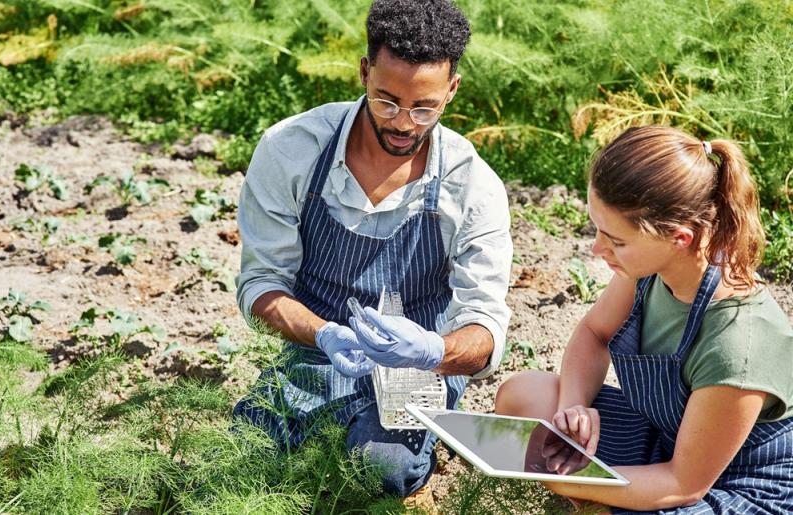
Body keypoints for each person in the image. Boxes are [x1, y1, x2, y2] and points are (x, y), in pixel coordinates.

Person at [232, 0, 512, 499]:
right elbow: (261, 285)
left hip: (419, 371)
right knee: (246, 453)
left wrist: (432, 350)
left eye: (424, 107)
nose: (404, 123)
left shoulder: (472, 186)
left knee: (377, 469)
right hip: (315, 354)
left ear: (452, 90)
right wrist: (324, 335)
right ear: (364, 72)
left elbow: (484, 327)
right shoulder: (291, 150)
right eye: (387, 101)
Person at [495, 126, 793, 513]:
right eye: (597, 230)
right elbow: (593, 333)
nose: (597, 249)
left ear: (680, 238)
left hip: (737, 482)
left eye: (616, 241)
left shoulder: (739, 343)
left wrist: (572, 480)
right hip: (666, 438)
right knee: (524, 396)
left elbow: (682, 485)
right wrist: (573, 410)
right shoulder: (647, 270)